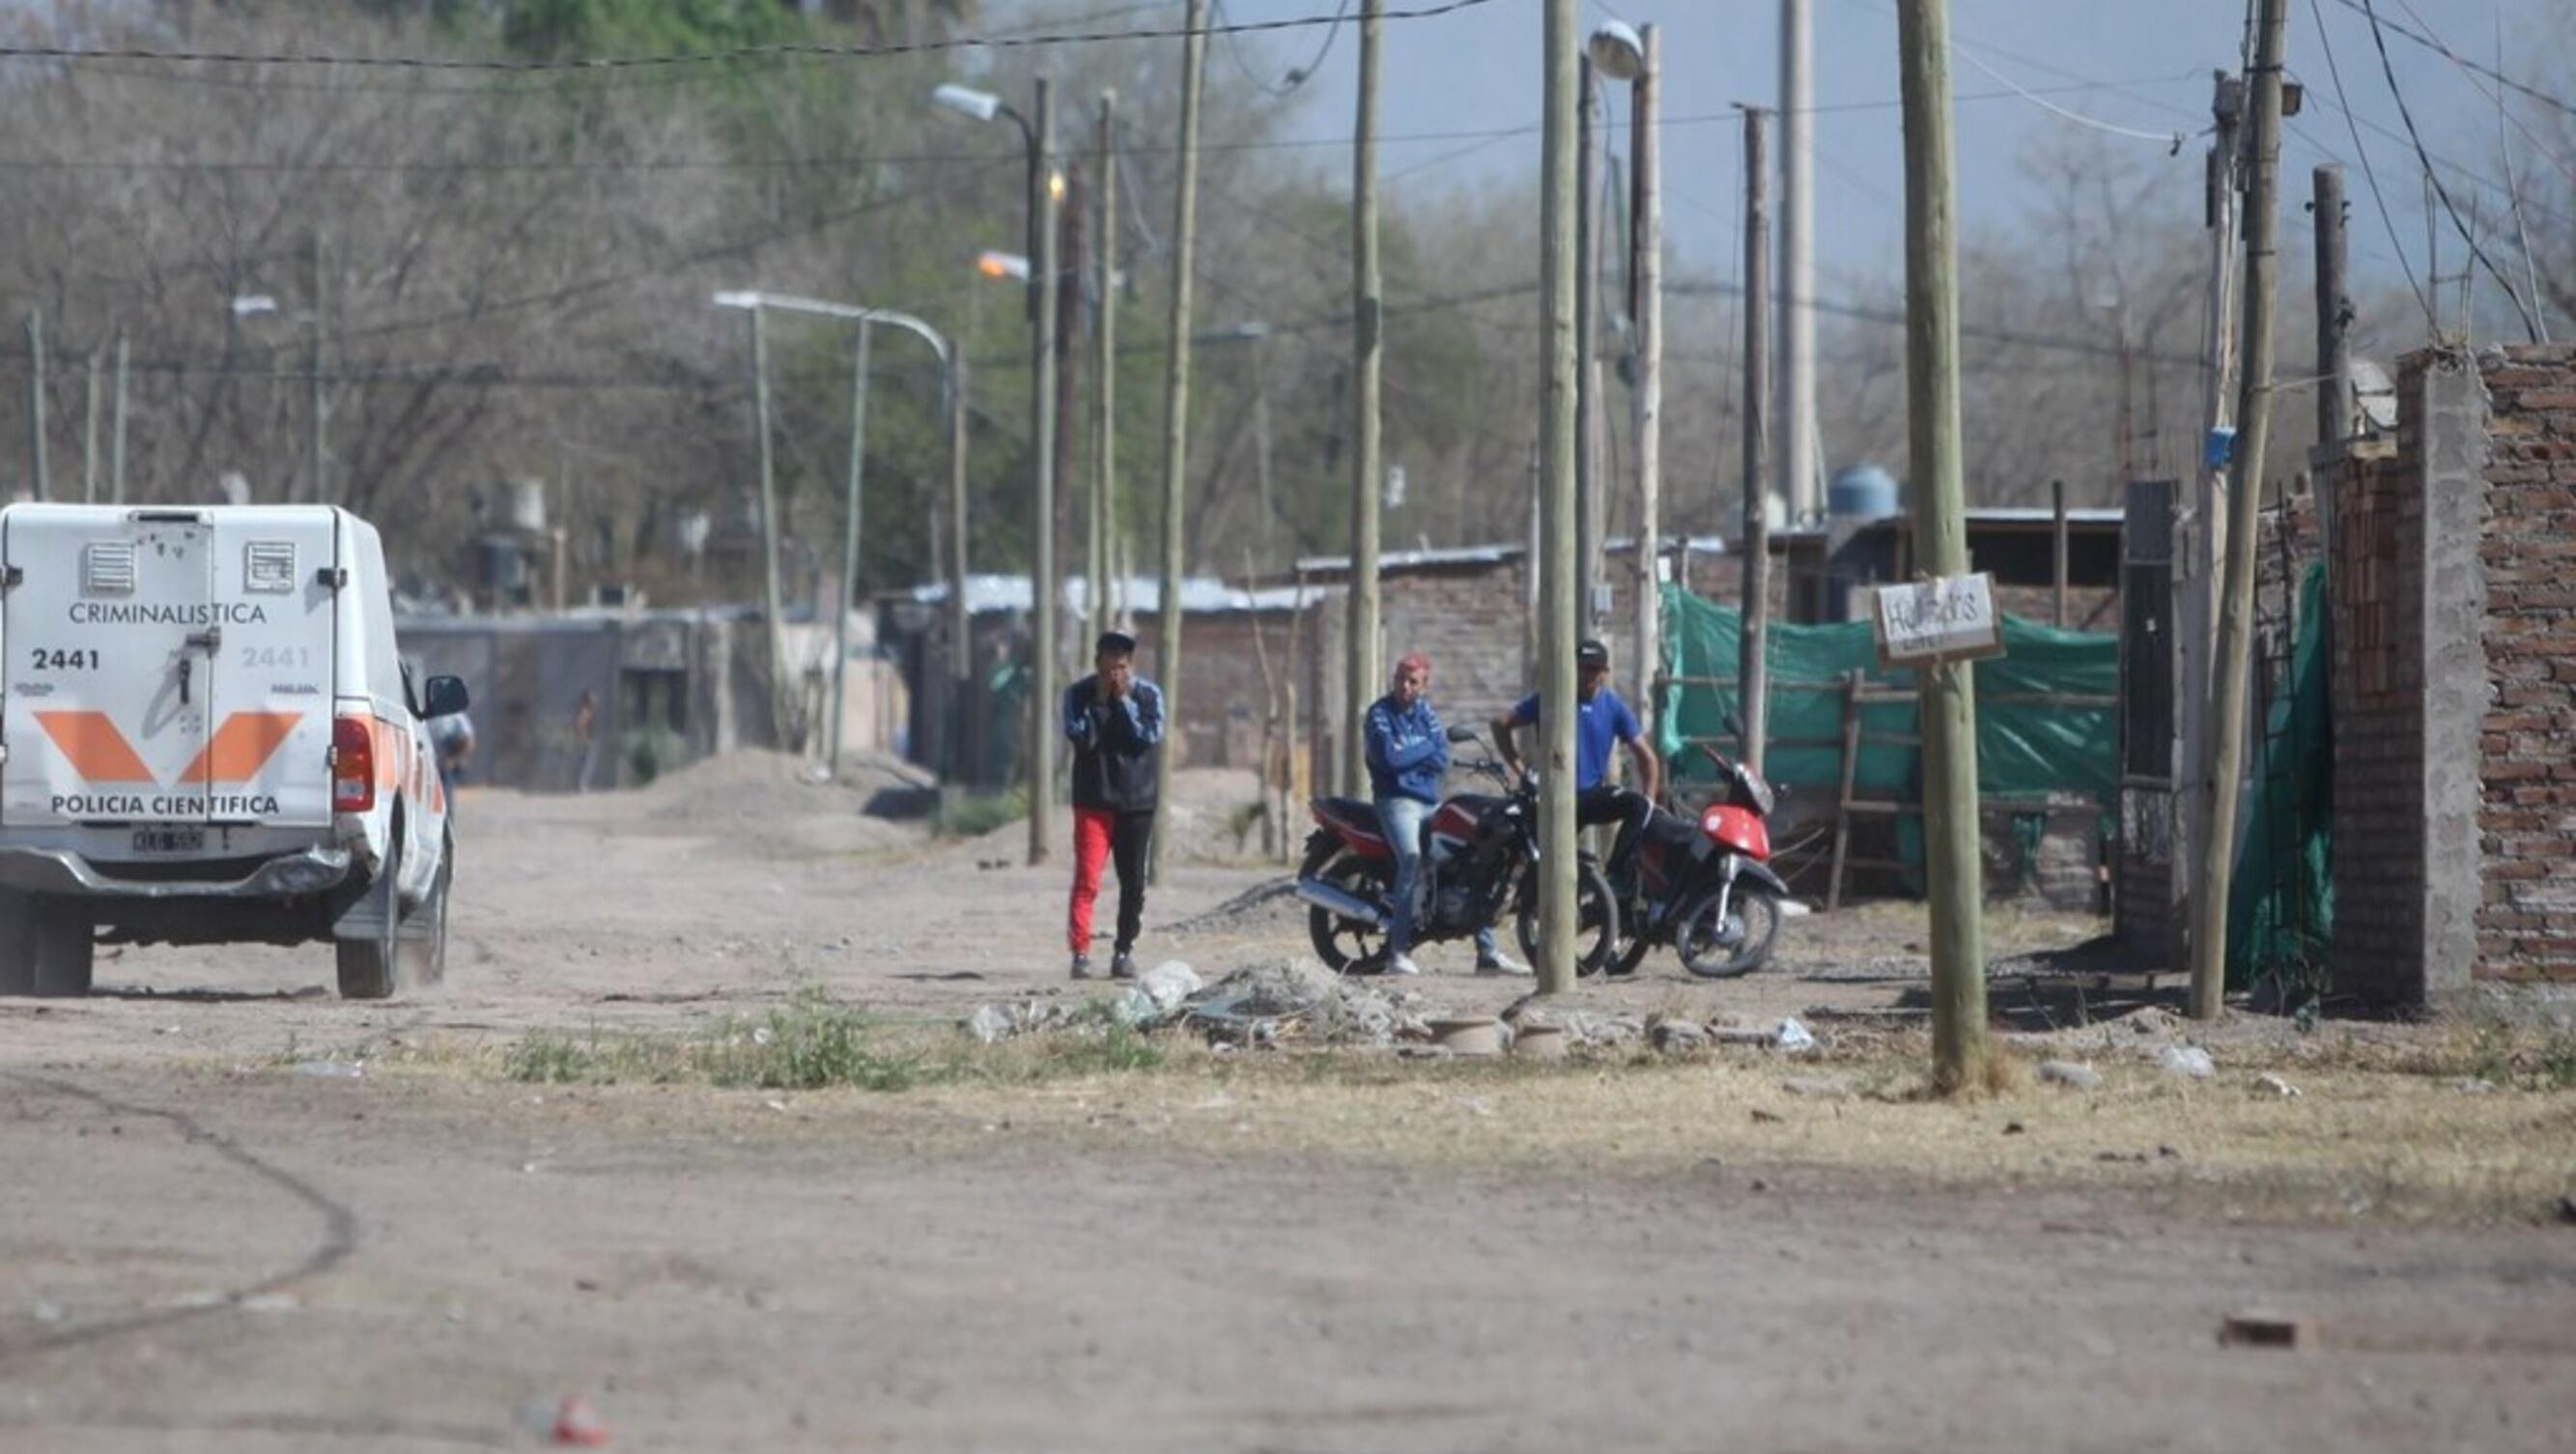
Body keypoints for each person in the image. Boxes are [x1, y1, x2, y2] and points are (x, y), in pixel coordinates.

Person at [1364, 654, 1526, 978]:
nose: (1404, 686)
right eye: (1400, 679)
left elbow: (1441, 757)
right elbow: (1390, 759)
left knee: (1470, 857)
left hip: (1429, 801)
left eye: (1413, 681)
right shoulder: (1379, 713)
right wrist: (1423, 748)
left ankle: (1488, 952)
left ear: (1425, 686)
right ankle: (1397, 952)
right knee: (1410, 858)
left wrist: (1413, 751)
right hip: (1396, 802)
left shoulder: (1426, 713)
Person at [1491, 637, 1662, 898]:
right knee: (1541, 872)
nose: (1587, 675)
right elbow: (1500, 723)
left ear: (1605, 672)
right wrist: (1520, 768)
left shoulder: (1614, 707)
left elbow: (1647, 758)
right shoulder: (1553, 699)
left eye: (1594, 669)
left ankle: (1615, 874)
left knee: (1638, 806)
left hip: (1588, 797)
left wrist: (1650, 801)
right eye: (1582, 668)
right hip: (1553, 797)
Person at [1062, 631, 1165, 981]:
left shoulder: (1149, 695)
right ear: (1097, 665)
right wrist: (1100, 703)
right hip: (1093, 800)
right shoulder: (1078, 695)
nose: (1114, 675)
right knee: (1087, 880)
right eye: (1108, 668)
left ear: (1130, 666)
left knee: (1133, 883)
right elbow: (1080, 740)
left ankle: (1124, 950)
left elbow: (1147, 739)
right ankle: (1080, 953)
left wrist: (1123, 704)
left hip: (1136, 802)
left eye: (1120, 668)